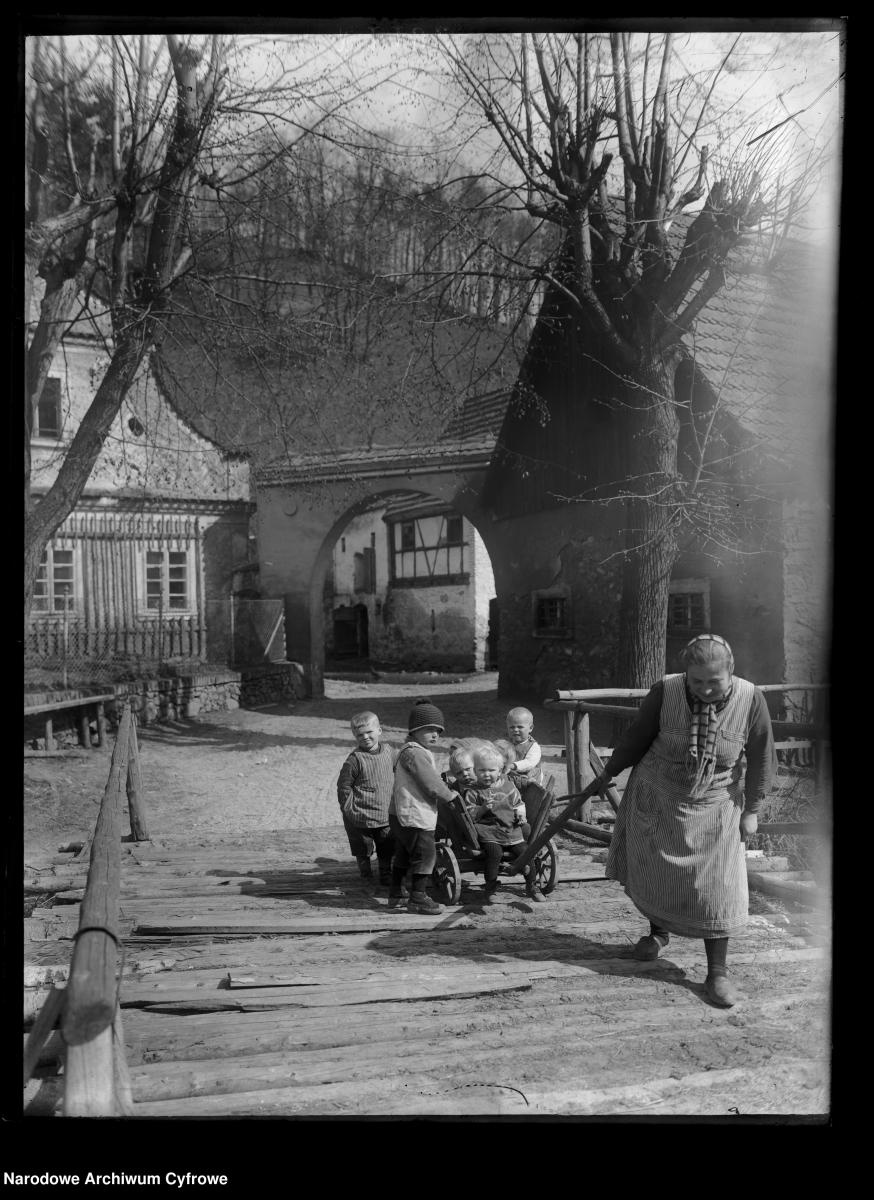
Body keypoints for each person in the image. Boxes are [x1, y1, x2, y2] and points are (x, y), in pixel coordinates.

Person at [599, 634, 777, 1007]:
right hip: (659, 793)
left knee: (718, 889)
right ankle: (658, 934)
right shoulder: (667, 691)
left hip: (716, 801)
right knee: (658, 872)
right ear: (686, 675)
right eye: (697, 682)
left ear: (730, 671)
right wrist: (610, 771)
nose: (706, 690)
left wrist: (753, 810)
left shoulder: (750, 699)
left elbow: (762, 758)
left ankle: (717, 973)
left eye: (715, 681)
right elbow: (638, 737)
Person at [388, 698, 458, 915]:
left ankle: (397, 895)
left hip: (400, 813)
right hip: (414, 813)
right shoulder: (416, 753)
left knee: (404, 854)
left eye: (438, 730)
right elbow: (430, 783)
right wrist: (450, 795)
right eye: (429, 729)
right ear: (414, 730)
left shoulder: (408, 750)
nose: (435, 734)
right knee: (426, 854)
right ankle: (418, 897)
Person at [469, 745, 544, 903]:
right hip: (488, 830)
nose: (487, 774)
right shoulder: (473, 791)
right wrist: (482, 809)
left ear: (500, 770)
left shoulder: (509, 786)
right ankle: (490, 888)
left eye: (491, 770)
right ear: (475, 771)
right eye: (482, 770)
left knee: (526, 852)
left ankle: (532, 885)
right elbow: (469, 815)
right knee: (494, 853)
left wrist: (520, 814)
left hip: (510, 828)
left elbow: (518, 803)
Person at [336, 711, 396, 886]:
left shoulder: (389, 752)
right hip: (360, 816)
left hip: (384, 814)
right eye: (359, 735)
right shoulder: (354, 760)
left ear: (379, 730)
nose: (365, 737)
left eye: (369, 732)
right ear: (355, 736)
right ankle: (366, 875)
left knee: (386, 845)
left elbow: (398, 772)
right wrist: (350, 810)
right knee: (363, 847)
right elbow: (343, 787)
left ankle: (386, 873)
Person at [504, 707, 545, 788]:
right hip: (513, 777)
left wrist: (512, 765)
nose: (515, 730)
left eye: (520, 727)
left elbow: (529, 763)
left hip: (529, 780)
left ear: (530, 728)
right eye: (512, 727)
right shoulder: (507, 743)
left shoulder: (533, 747)